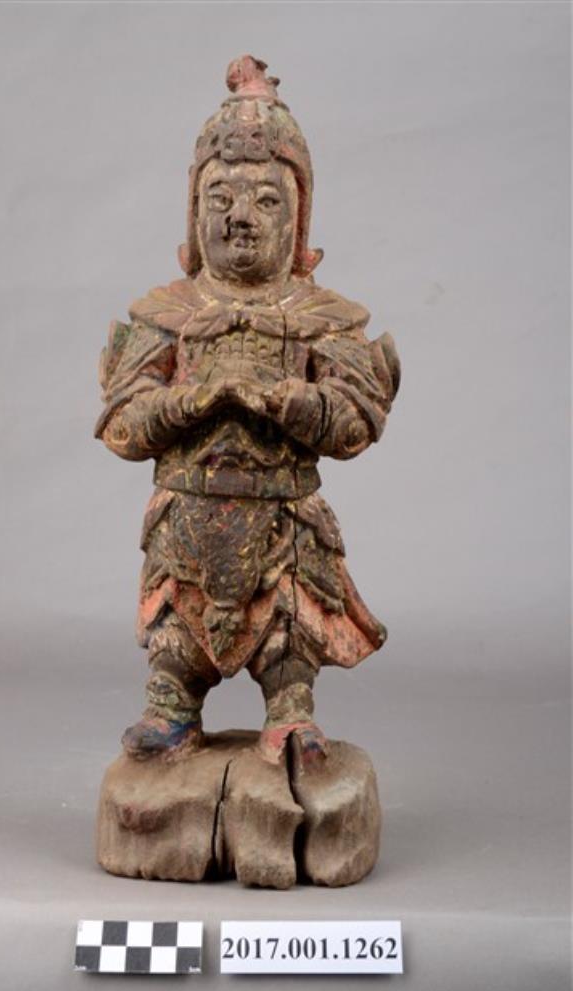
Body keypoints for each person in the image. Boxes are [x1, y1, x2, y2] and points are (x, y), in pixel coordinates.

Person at [95, 56, 400, 766]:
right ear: (193, 209)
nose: (239, 218)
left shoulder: (321, 317)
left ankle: (290, 712)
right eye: (220, 197)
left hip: (282, 516)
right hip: (187, 513)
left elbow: (357, 420)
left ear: (298, 219)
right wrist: (192, 400)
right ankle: (172, 706)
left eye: (266, 200)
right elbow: (122, 424)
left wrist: (288, 401)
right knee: (177, 627)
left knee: (289, 627)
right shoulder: (168, 313)